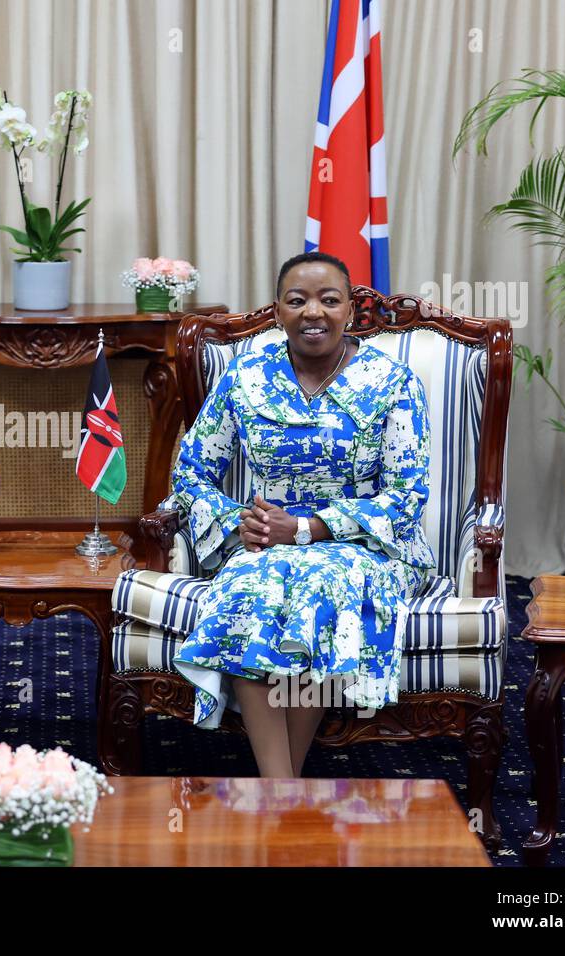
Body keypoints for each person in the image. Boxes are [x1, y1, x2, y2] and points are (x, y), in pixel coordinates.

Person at [171, 251, 435, 777]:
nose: (313, 311)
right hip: (265, 542)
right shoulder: (245, 379)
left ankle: (277, 791)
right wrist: (236, 522)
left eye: (329, 300)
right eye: (298, 300)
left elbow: (408, 493)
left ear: (352, 310)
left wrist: (312, 530)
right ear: (277, 311)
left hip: (363, 546)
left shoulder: (393, 382)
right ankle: (285, 791)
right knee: (253, 586)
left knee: (320, 581)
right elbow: (191, 471)